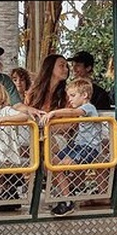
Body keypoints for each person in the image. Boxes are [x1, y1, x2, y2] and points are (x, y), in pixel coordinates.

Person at [40, 78, 100, 217]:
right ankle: (65, 193)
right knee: (50, 162)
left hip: (88, 147)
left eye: (73, 96)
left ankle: (67, 198)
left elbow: (74, 113)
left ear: (84, 95)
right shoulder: (82, 109)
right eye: (69, 96)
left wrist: (54, 113)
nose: (70, 99)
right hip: (77, 146)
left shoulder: (88, 108)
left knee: (61, 165)